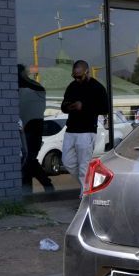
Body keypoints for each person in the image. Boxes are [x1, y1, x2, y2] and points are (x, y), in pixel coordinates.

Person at [61, 60, 109, 194]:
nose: (76, 78)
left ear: (87, 72)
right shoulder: (72, 86)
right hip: (71, 130)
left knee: (84, 166)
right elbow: (64, 106)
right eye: (74, 76)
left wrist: (84, 106)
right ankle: (89, 183)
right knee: (67, 162)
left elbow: (105, 108)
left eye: (79, 76)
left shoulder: (97, 88)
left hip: (87, 130)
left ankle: (85, 196)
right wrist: (71, 106)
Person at [18, 64, 54, 193]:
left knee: (28, 161)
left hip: (32, 131)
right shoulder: (29, 89)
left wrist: (21, 76)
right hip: (29, 130)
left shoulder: (34, 89)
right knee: (28, 163)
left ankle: (43, 187)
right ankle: (29, 192)